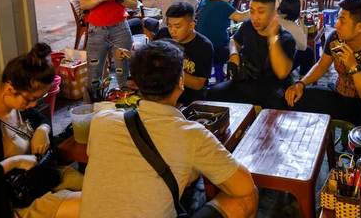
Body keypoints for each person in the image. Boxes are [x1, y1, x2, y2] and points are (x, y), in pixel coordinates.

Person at [79, 41, 258, 218]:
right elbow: (245, 186)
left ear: (136, 83)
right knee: (248, 196)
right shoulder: (192, 135)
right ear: (181, 82)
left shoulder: (102, 120)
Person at [0, 43, 82, 218]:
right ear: (9, 89)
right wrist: (14, 162)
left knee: (102, 186)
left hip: (43, 178)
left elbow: (40, 120)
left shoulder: (15, 107)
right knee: (94, 201)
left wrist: (42, 130)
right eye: (31, 99)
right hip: (17, 203)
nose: (33, 105)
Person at [285, 0, 361, 126]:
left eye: (342, 21)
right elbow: (321, 65)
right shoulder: (335, 37)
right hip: (338, 95)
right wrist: (301, 84)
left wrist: (353, 67)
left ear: (360, 27)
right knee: (295, 98)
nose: (336, 25)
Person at [208, 0, 296, 109]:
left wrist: (272, 37)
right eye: (252, 11)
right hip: (247, 81)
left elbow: (282, 73)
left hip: (272, 88)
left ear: (273, 13)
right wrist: (234, 54)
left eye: (261, 12)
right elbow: (234, 40)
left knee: (276, 103)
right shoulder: (249, 25)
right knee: (213, 93)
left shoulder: (286, 39)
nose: (255, 17)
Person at [153, 2, 213, 105]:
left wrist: (169, 69)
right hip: (162, 93)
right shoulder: (163, 34)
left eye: (177, 26)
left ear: (191, 25)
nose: (172, 31)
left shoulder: (204, 46)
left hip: (190, 99)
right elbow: (149, 58)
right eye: (169, 25)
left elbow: (198, 84)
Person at [196, 0, 249, 66]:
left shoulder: (204, 1)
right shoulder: (222, 5)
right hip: (216, 49)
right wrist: (257, 9)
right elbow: (241, 17)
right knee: (244, 48)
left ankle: (219, 72)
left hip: (201, 47)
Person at [277, 0, 314, 78]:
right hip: (281, 67)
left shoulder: (273, 18)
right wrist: (302, 25)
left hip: (265, 62)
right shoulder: (293, 27)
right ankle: (302, 80)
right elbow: (303, 46)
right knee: (308, 51)